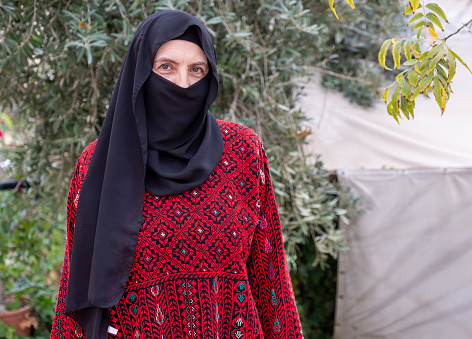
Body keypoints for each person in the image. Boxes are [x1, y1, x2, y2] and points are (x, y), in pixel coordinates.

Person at [50, 10, 303, 339]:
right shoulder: (97, 164)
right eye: (166, 67)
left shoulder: (243, 152)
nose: (183, 84)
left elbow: (270, 276)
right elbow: (77, 279)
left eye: (196, 70)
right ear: (140, 72)